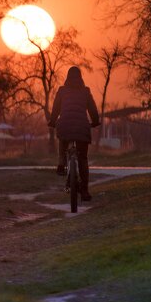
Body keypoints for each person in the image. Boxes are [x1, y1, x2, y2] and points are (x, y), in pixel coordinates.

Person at [48, 65, 100, 202]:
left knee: (62, 137)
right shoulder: (85, 91)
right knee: (82, 158)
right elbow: (93, 111)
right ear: (80, 77)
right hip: (82, 127)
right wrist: (95, 122)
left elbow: (55, 109)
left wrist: (52, 121)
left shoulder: (62, 91)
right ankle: (84, 191)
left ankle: (61, 163)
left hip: (64, 125)